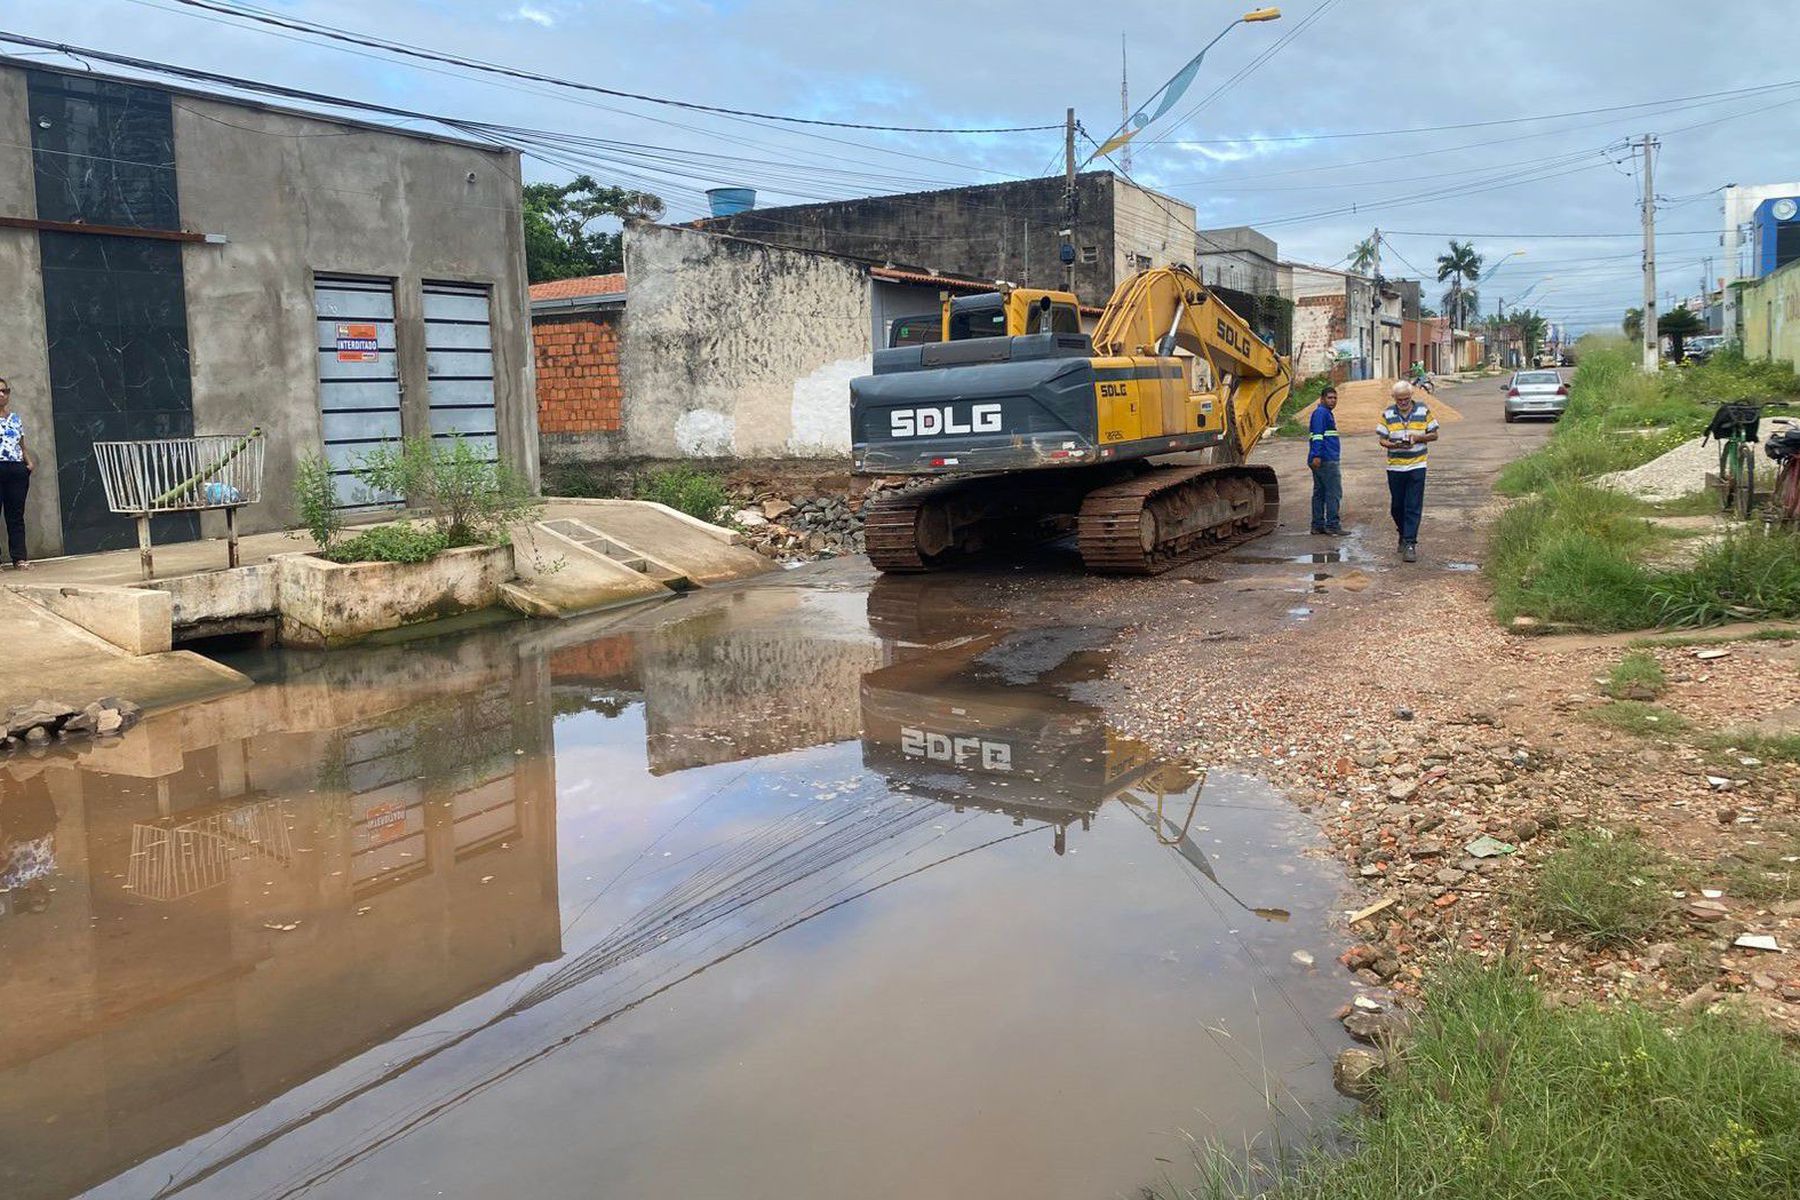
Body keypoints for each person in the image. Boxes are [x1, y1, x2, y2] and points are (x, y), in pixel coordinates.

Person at [1376, 380, 1439, 562]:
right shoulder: (1388, 413)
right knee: (1397, 506)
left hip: (1417, 464)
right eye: (1399, 399)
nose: (1403, 402)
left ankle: (1410, 543)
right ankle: (1403, 533)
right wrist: (1393, 444)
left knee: (1413, 505)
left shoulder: (1422, 410)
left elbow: (1434, 434)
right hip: (1395, 465)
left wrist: (1418, 438)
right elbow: (1382, 439)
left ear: (1411, 397)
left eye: (1406, 399)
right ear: (1394, 398)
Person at [0, 377, 35, 570]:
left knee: (15, 515)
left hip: (16, 469)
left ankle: (19, 558)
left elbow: (21, 444)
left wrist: (28, 462)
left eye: (5, 391)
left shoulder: (14, 419)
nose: (1, 394)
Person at [1306, 384, 1342, 535]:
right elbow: (1318, 436)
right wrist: (1316, 455)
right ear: (1322, 399)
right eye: (1330, 398)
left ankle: (1318, 525)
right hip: (1326, 459)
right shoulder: (1321, 413)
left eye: (1335, 398)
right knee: (1333, 492)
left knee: (1320, 492)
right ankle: (1332, 525)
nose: (1333, 401)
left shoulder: (1324, 413)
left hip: (1322, 458)